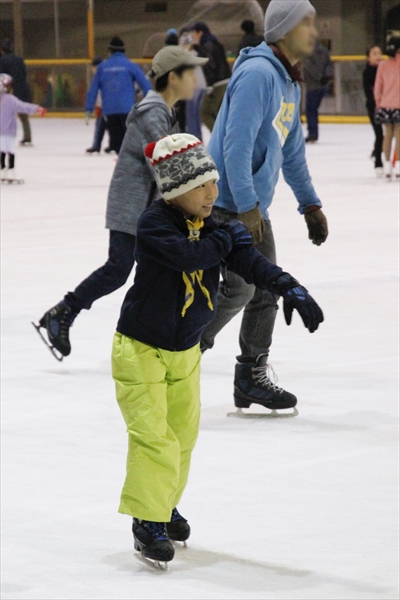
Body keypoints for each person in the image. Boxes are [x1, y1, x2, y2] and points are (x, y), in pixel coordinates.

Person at [112, 133, 324, 566]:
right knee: (153, 436)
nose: (213, 193)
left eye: (213, 183)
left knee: (182, 435)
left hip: (185, 351)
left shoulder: (213, 226)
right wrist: (228, 239)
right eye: (202, 186)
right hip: (140, 349)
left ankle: (163, 505)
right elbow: (190, 257)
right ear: (175, 191)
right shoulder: (154, 223)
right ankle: (145, 522)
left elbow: (252, 263)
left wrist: (290, 286)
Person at [34, 46, 208, 361]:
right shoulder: (153, 113)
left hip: (145, 205)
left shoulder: (165, 112)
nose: (196, 80)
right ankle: (64, 312)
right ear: (173, 77)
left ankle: (159, 336)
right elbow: (169, 164)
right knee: (120, 267)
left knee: (150, 271)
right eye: (190, 73)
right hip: (133, 203)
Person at [200, 0, 329, 414]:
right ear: (285, 29)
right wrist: (248, 206)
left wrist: (310, 205)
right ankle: (183, 349)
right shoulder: (258, 75)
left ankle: (250, 375)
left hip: (251, 202)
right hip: (224, 202)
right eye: (306, 23)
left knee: (265, 290)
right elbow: (235, 147)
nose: (314, 30)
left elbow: (291, 152)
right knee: (240, 289)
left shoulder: (290, 81)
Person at [85, 37, 152, 154]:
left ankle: (119, 162)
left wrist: (88, 109)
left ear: (109, 51)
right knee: (129, 141)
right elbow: (145, 84)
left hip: (109, 111)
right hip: (127, 109)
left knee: (117, 143)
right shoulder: (130, 65)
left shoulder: (102, 67)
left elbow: (93, 90)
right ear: (124, 51)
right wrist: (151, 102)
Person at [0, 73, 45, 183]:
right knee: (10, 152)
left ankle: (2, 171)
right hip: (8, 131)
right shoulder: (10, 99)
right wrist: (37, 109)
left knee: (1, 152)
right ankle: (10, 171)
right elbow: (23, 106)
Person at [190, 22, 231, 132]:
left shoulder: (207, 45)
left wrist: (209, 87)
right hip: (224, 81)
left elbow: (210, 65)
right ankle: (223, 138)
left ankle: (219, 138)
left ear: (200, 32)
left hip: (218, 84)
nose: (193, 36)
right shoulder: (212, 42)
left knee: (205, 111)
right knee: (219, 113)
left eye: (194, 33)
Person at [374, 36, 400, 180]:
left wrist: (379, 102)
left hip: (385, 105)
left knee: (387, 136)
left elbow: (378, 86)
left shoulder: (383, 65)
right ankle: (398, 167)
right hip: (399, 105)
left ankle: (388, 165)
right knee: (399, 136)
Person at [0, 38, 33, 145]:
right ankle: (27, 136)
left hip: (8, 88)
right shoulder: (19, 58)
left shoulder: (3, 60)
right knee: (23, 114)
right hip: (22, 87)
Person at [303, 40, 334, 143]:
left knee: (310, 110)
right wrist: (327, 76)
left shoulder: (306, 51)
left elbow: (309, 67)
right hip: (322, 85)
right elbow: (329, 64)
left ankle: (313, 133)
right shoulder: (324, 50)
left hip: (313, 85)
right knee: (313, 109)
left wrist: (320, 78)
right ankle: (313, 132)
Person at [180, 30, 207, 139]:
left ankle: (194, 138)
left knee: (191, 114)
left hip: (193, 87)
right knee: (196, 114)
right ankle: (198, 137)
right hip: (202, 86)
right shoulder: (195, 55)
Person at [363, 46, 384, 176]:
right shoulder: (367, 72)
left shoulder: (385, 69)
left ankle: (377, 152)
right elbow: (368, 92)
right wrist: (377, 104)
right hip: (373, 107)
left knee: (390, 134)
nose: (378, 56)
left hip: (388, 106)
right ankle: (378, 162)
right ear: (368, 57)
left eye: (379, 53)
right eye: (374, 53)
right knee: (379, 134)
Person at [85, 57, 111, 154]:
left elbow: (100, 95)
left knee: (103, 127)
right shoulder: (100, 77)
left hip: (107, 108)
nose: (93, 70)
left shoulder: (102, 78)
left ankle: (99, 145)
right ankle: (101, 145)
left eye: (94, 68)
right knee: (102, 127)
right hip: (104, 108)